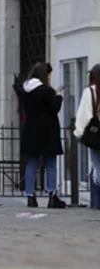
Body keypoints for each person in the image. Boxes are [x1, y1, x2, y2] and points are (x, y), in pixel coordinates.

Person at [20, 62, 66, 209]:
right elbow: (54, 109)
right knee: (51, 164)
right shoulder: (46, 91)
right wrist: (58, 97)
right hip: (47, 131)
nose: (50, 77)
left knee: (32, 163)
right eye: (49, 75)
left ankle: (30, 196)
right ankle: (52, 195)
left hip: (31, 131)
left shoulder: (25, 90)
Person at [74, 63, 100, 202]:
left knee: (97, 167)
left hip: (97, 135)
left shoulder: (90, 91)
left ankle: (96, 203)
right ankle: (95, 203)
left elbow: (84, 115)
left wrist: (79, 133)